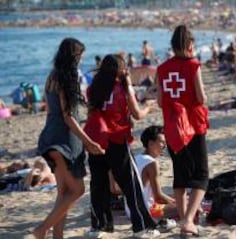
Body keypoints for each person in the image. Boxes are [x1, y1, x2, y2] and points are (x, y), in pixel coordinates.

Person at [35, 38, 105, 239]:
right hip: (64, 140)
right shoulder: (68, 77)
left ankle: (58, 235)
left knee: (64, 192)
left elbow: (53, 110)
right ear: (74, 57)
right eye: (80, 56)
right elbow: (68, 116)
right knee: (77, 189)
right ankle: (41, 230)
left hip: (49, 135)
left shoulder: (52, 76)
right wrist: (88, 141)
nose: (82, 60)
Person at [86, 54, 159, 238]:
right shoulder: (123, 88)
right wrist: (148, 107)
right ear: (120, 70)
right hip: (117, 139)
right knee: (131, 184)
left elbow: (92, 114)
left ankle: (99, 227)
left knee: (98, 184)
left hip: (96, 140)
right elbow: (137, 114)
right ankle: (141, 227)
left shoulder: (93, 88)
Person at [156, 25, 209, 237]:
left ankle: (184, 216)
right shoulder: (194, 66)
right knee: (201, 175)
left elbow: (160, 101)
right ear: (189, 45)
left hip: (172, 127)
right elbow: (202, 98)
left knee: (180, 174)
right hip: (193, 126)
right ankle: (188, 220)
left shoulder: (162, 69)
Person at [127, 125, 179, 221]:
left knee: (180, 199)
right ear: (151, 143)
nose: (165, 145)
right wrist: (177, 203)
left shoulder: (136, 158)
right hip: (146, 211)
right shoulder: (151, 163)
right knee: (188, 206)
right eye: (162, 142)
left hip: (130, 209)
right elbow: (158, 197)